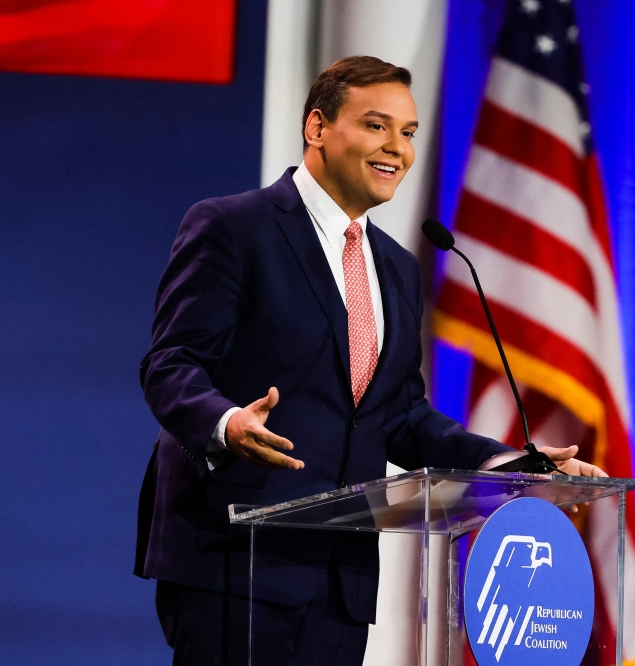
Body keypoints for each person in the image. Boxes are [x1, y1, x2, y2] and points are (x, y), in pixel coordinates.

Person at [135, 55, 605, 665]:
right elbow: (170, 363)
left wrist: (518, 466)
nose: (398, 149)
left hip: (340, 578)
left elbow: (402, 418)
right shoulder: (233, 227)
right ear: (317, 127)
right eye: (376, 126)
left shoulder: (396, 266)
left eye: (408, 133)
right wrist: (226, 423)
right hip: (235, 555)